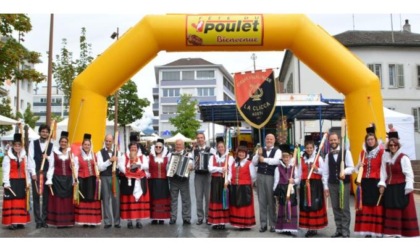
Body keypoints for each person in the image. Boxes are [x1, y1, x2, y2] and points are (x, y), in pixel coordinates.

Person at [378, 131, 420, 237]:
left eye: (395, 145)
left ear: (398, 145)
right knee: (391, 209)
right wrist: (382, 184)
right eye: (391, 145)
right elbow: (383, 172)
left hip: (402, 187)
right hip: (390, 188)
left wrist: (408, 189)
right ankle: (392, 232)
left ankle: (402, 233)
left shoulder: (403, 158)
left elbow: (409, 174)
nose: (393, 147)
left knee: (402, 209)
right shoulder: (385, 158)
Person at [353, 126, 384, 237]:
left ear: (375, 140)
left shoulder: (381, 152)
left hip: (376, 182)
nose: (370, 141)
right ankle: (367, 231)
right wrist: (359, 165)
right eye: (368, 140)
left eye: (372, 139)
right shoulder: (362, 153)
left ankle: (376, 231)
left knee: (376, 206)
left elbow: (384, 169)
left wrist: (382, 184)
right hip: (364, 182)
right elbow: (356, 169)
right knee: (364, 205)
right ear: (366, 141)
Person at [322, 131, 354, 238]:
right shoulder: (328, 155)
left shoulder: (346, 152)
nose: (333, 141)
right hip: (332, 184)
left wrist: (344, 171)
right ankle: (339, 229)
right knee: (335, 207)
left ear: (339, 140)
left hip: (344, 184)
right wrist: (326, 187)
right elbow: (325, 173)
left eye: (335, 139)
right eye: (331, 140)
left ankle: (345, 231)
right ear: (328, 141)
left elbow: (351, 167)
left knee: (344, 207)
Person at [252, 133, 281, 233]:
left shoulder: (277, 151)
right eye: (267, 139)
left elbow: (277, 161)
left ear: (274, 140)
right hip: (260, 176)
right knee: (262, 201)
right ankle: (263, 224)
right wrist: (258, 155)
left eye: (271, 139)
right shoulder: (260, 149)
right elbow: (254, 162)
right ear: (265, 140)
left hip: (271, 177)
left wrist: (264, 159)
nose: (269, 140)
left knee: (271, 201)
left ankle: (273, 224)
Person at [45, 131, 75, 228]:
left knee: (67, 200)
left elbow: (75, 167)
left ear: (67, 143)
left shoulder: (71, 153)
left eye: (65, 142)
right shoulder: (55, 153)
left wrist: (74, 175)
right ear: (59, 142)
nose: (63, 143)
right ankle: (58, 221)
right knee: (58, 200)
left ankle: (67, 221)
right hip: (57, 178)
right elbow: (51, 167)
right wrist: (49, 179)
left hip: (68, 179)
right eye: (62, 142)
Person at [298, 139, 328, 237]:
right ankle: (308, 227)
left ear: (314, 148)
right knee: (306, 205)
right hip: (304, 184)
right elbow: (299, 173)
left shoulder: (318, 158)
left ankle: (314, 228)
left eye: (311, 148)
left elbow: (324, 172)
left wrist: (316, 169)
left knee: (314, 205)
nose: (309, 149)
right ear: (305, 149)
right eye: (307, 148)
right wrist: (297, 184)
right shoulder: (302, 159)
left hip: (315, 185)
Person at [1, 133, 31, 230]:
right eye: (16, 145)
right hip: (12, 181)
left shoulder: (24, 157)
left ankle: (20, 221)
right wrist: (6, 182)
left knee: (21, 201)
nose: (17, 147)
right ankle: (11, 222)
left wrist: (28, 181)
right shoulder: (7, 157)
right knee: (12, 201)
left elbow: (26, 170)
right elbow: (6, 171)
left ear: (21, 146)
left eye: (19, 145)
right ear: (12, 146)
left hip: (22, 181)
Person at [120, 139, 150, 229]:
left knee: (139, 201)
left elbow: (147, 166)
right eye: (132, 148)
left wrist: (138, 164)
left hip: (139, 180)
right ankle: (129, 221)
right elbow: (121, 166)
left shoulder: (142, 157)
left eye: (135, 148)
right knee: (129, 200)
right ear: (129, 149)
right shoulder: (124, 156)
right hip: (128, 180)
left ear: (137, 149)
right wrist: (127, 171)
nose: (133, 149)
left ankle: (138, 221)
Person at [73, 133, 102, 227]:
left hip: (93, 180)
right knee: (84, 200)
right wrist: (75, 180)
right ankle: (84, 221)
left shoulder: (94, 155)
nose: (86, 146)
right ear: (82, 145)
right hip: (82, 180)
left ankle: (93, 221)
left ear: (91, 146)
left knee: (93, 199)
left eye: (88, 145)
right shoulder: (77, 156)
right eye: (85, 144)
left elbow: (99, 166)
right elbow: (75, 169)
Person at [28, 124, 54, 229]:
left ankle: (44, 220)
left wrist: (47, 157)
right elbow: (30, 158)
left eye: (46, 132)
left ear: (49, 133)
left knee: (46, 198)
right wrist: (33, 173)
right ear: (39, 132)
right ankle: (38, 220)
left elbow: (52, 162)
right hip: (37, 172)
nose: (44, 133)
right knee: (36, 196)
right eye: (43, 131)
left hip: (47, 173)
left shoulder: (51, 145)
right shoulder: (33, 143)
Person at [207, 137, 234, 230]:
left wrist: (228, 180)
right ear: (217, 148)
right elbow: (210, 169)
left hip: (224, 181)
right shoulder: (212, 157)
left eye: (222, 147)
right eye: (219, 147)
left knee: (223, 200)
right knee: (215, 200)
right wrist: (221, 169)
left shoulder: (229, 157)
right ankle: (215, 221)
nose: (221, 148)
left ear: (225, 147)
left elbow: (231, 171)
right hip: (215, 180)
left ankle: (222, 222)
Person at [96, 134, 122, 229]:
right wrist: (109, 161)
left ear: (112, 142)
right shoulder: (100, 153)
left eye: (109, 141)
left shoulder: (117, 152)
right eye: (106, 141)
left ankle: (117, 221)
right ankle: (107, 221)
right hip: (105, 177)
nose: (108, 143)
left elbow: (121, 165)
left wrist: (118, 163)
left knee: (116, 200)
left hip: (115, 177)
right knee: (106, 200)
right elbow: (100, 167)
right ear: (104, 141)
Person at [228, 143, 257, 230]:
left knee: (245, 206)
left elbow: (254, 176)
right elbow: (230, 173)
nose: (241, 154)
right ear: (237, 153)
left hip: (245, 187)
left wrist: (247, 183)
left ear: (246, 153)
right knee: (236, 205)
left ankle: (246, 224)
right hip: (234, 186)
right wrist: (230, 180)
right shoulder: (234, 163)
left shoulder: (249, 163)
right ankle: (238, 223)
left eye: (243, 152)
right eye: (240, 152)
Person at [273, 144, 299, 236]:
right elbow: (276, 181)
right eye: (284, 157)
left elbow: (298, 179)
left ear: (290, 157)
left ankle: (291, 227)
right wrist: (275, 192)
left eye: (287, 157)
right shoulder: (278, 168)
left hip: (291, 190)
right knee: (282, 208)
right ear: (282, 158)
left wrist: (294, 180)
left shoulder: (293, 168)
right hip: (282, 191)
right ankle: (283, 227)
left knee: (292, 207)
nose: (286, 158)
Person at [167, 139, 193, 225]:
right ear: (175, 146)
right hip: (173, 180)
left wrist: (190, 166)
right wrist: (170, 168)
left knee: (186, 200)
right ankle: (173, 217)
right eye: (177, 145)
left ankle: (186, 218)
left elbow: (191, 164)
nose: (178, 146)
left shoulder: (188, 154)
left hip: (184, 180)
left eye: (180, 145)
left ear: (183, 146)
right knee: (173, 200)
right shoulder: (170, 154)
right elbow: (167, 166)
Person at [192, 132, 216, 225]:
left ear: (204, 139)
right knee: (198, 197)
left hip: (208, 175)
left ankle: (208, 217)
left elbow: (215, 160)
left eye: (201, 138)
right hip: (198, 175)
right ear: (196, 140)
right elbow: (191, 160)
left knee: (208, 197)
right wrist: (191, 165)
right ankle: (200, 217)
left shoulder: (211, 150)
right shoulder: (194, 151)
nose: (200, 139)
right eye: (198, 138)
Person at [148, 138, 171, 224]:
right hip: (153, 181)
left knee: (162, 199)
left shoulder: (166, 158)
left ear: (162, 148)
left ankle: (161, 218)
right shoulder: (149, 157)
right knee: (154, 199)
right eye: (156, 147)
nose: (158, 148)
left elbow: (169, 169)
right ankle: (154, 217)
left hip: (163, 181)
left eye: (160, 147)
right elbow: (146, 168)